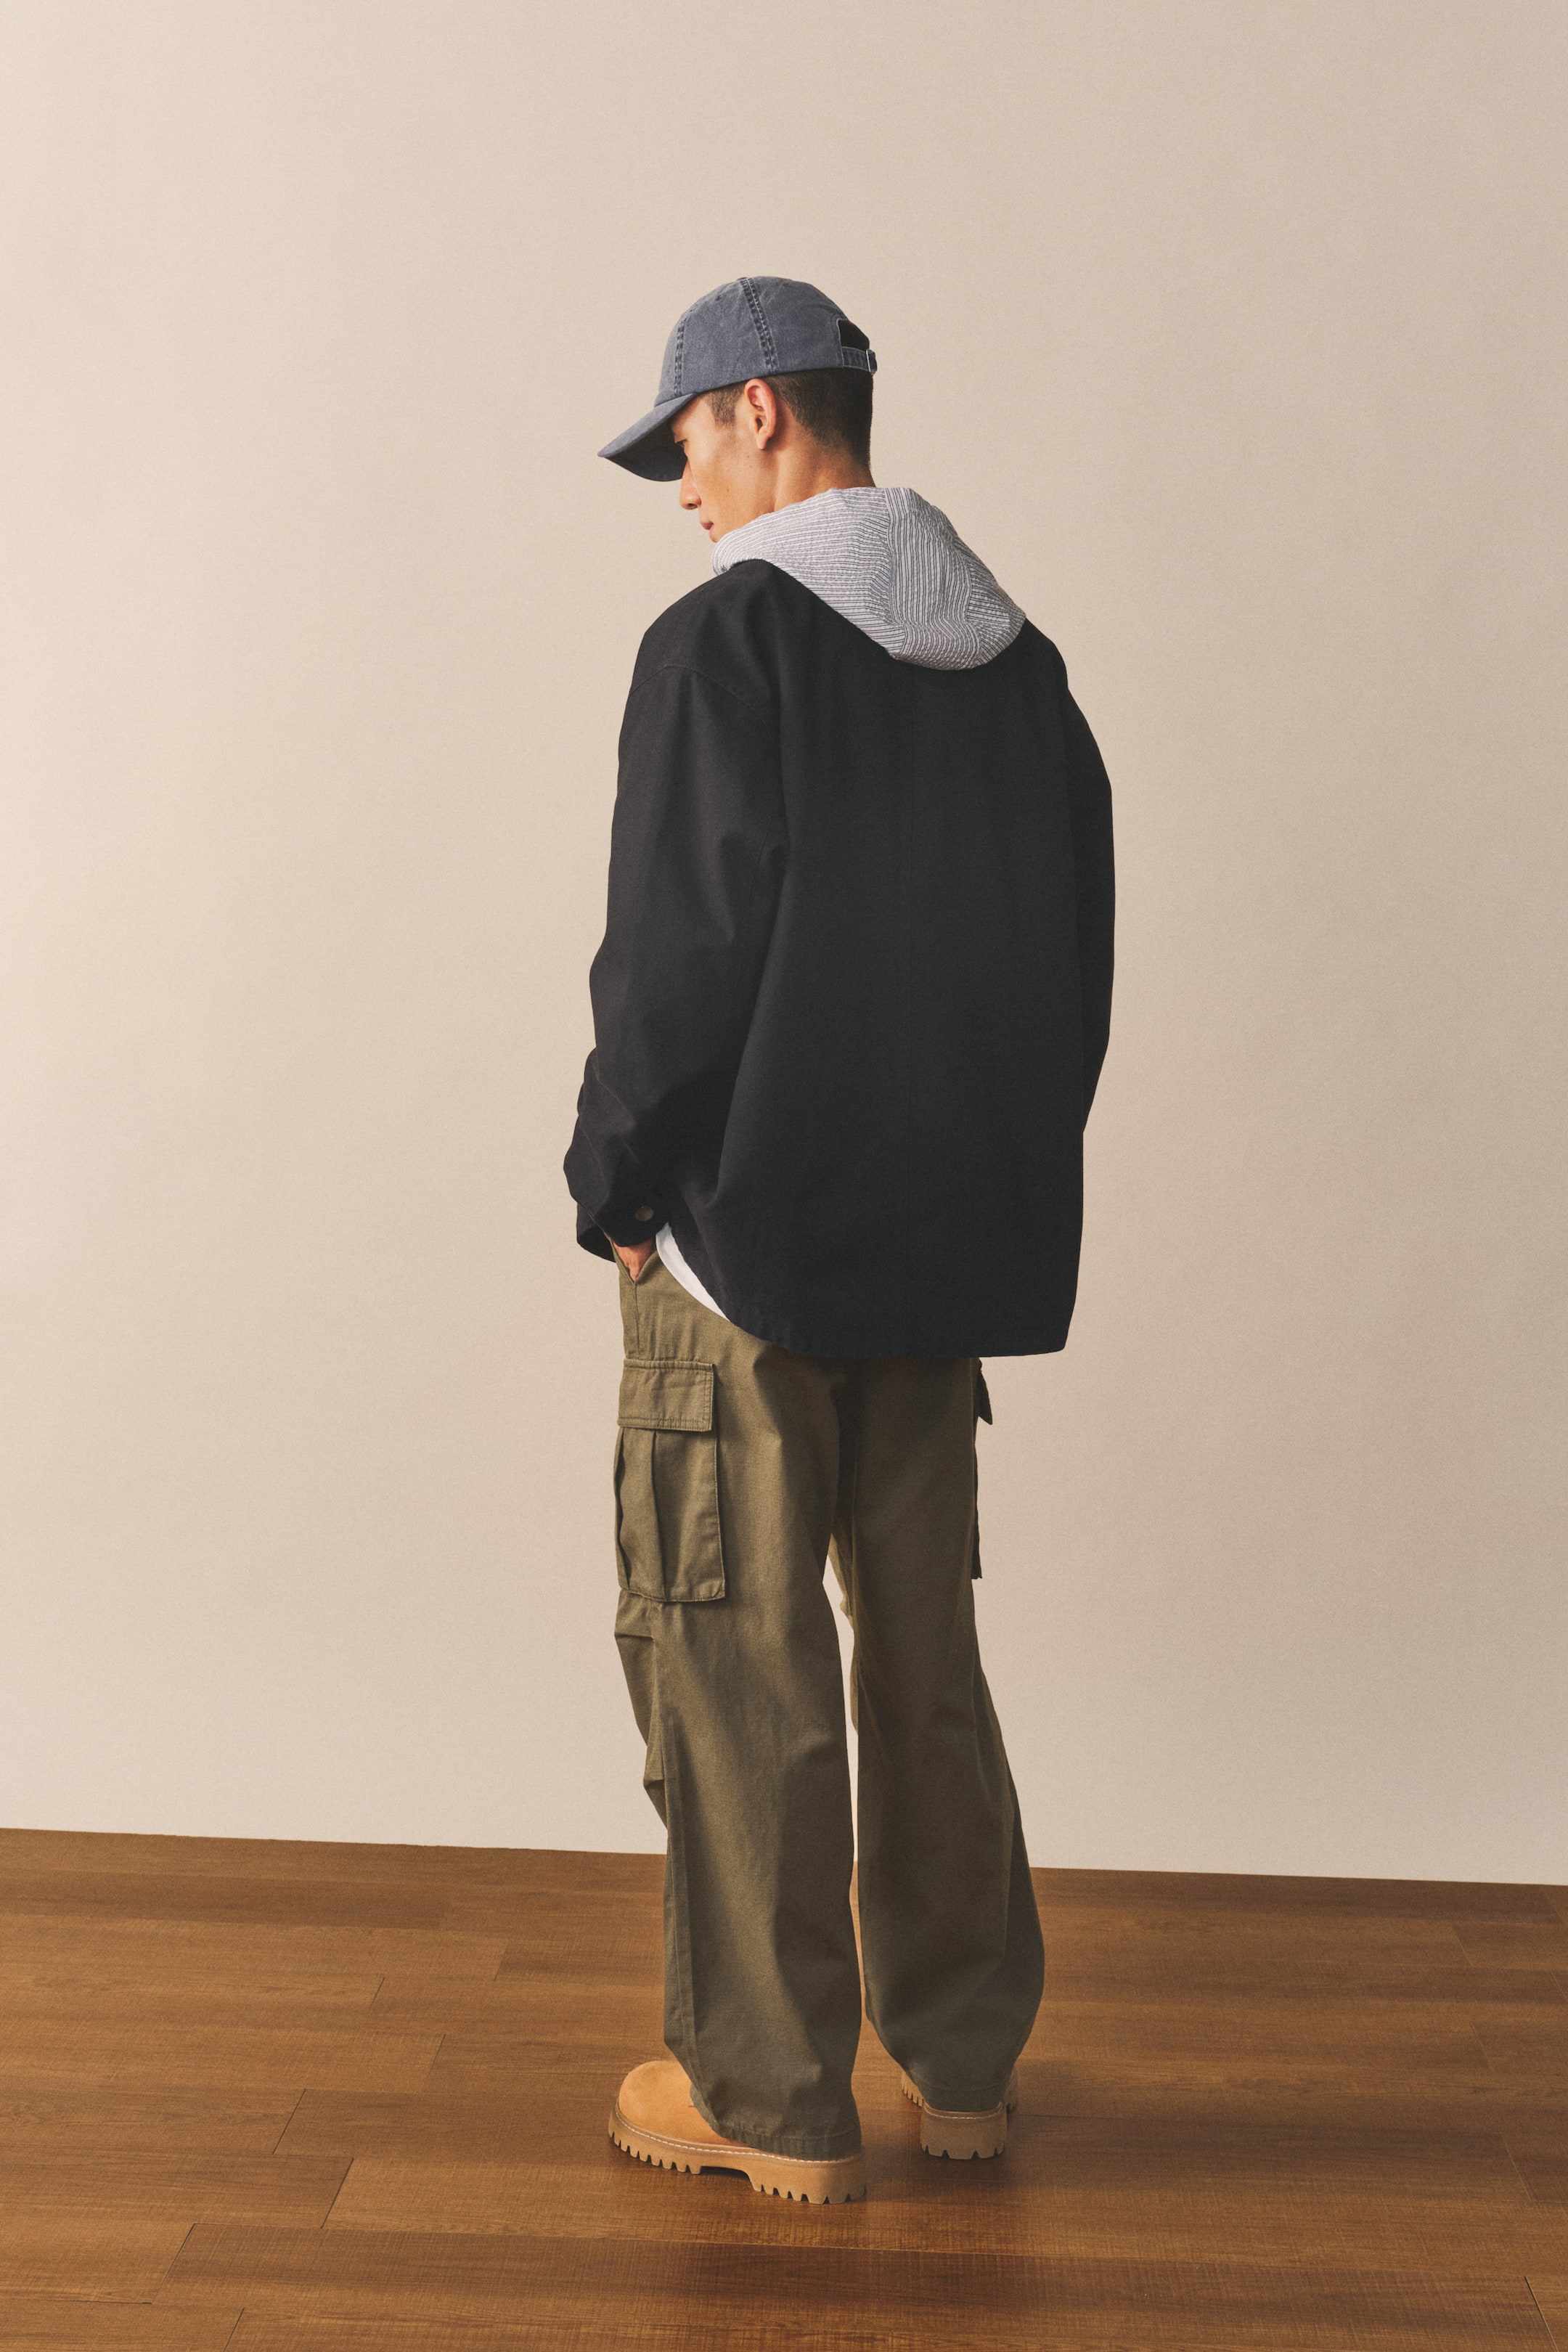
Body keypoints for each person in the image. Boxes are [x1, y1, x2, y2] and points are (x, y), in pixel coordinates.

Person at [565, 275, 1114, 2205]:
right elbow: (1074, 963)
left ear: (764, 407)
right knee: (924, 1665)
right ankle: (963, 2066)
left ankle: (768, 2094)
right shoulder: (1020, 664)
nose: (685, 490)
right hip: (943, 1247)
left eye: (688, 444)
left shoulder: (724, 642)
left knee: (736, 1665)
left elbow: (680, 950)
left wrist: (614, 1181)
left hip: (745, 1258)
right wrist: (994, 1166)